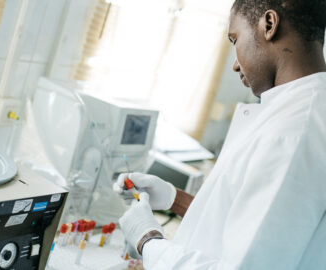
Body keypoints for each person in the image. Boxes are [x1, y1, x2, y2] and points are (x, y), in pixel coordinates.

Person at [113, 0, 326, 269]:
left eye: (235, 39)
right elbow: (254, 223)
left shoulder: (293, 133)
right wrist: (174, 199)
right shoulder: (300, 113)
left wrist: (148, 239)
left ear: (269, 25)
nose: (235, 64)